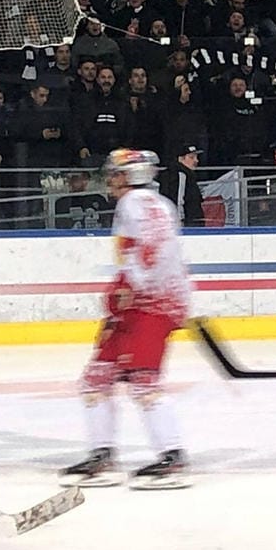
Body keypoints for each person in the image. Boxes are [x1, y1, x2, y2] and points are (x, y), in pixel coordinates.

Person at [59, 148, 194, 490]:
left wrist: (126, 289)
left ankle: (172, 458)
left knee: (143, 381)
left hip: (151, 303)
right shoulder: (154, 203)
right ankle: (102, 455)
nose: (111, 179)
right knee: (96, 377)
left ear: (131, 176)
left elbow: (149, 253)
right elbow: (145, 253)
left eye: (116, 173)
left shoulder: (133, 204)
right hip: (145, 302)